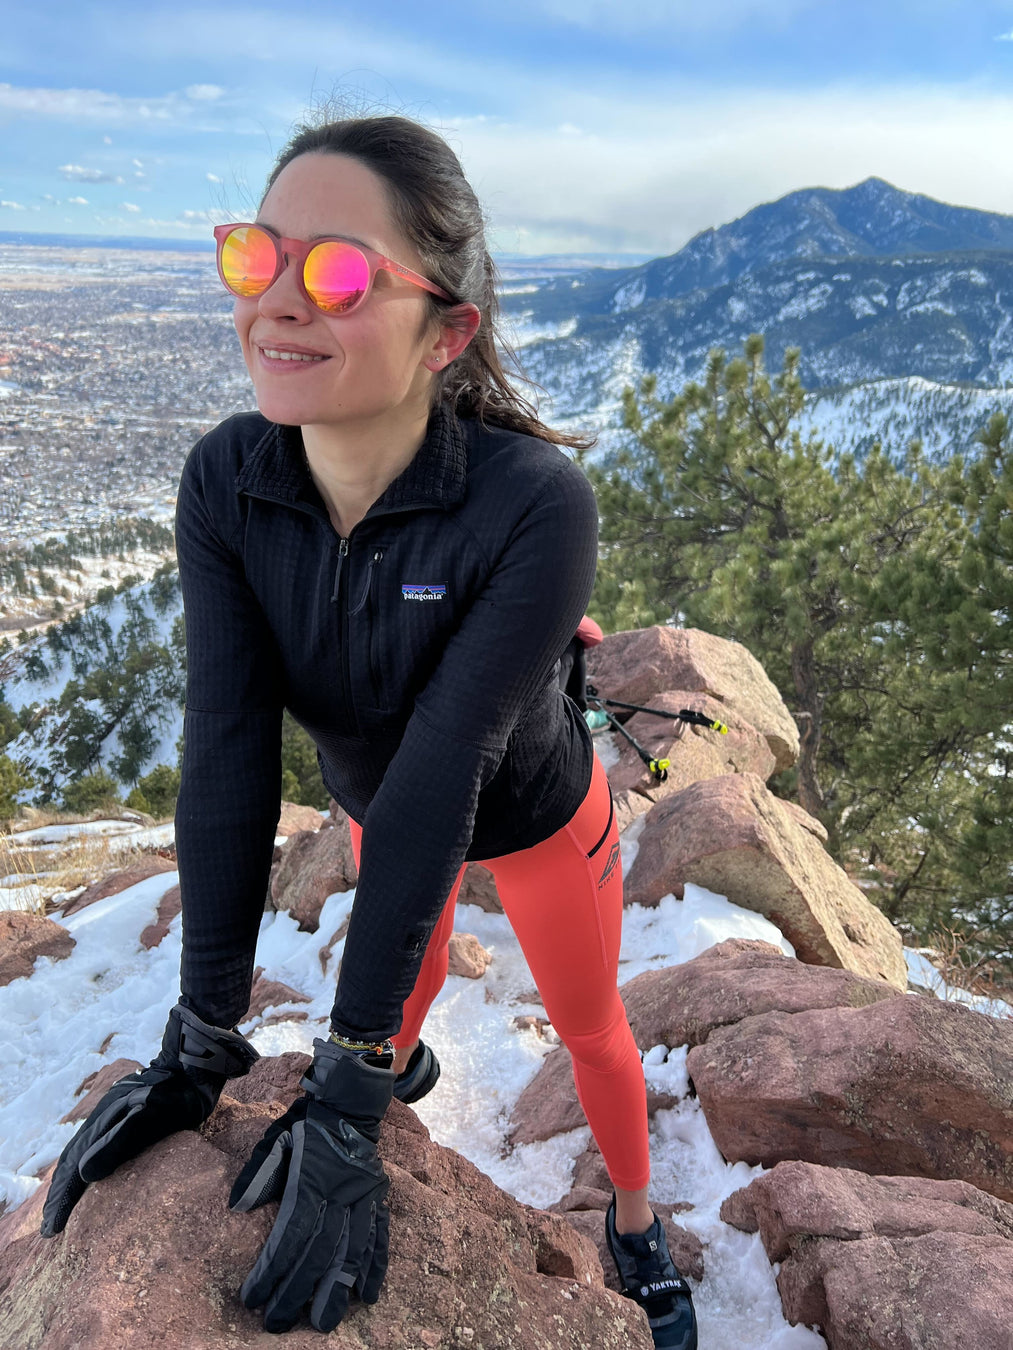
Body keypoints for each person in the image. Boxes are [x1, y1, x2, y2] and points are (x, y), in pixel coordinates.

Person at [39, 112, 697, 1350]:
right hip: (376, 803)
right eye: (255, 257)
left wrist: (334, 1090)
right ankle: (390, 1083)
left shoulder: (529, 505)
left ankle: (634, 1216)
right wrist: (203, 1038)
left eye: (338, 272)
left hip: (533, 811)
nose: (278, 302)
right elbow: (227, 747)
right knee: (393, 1010)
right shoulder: (229, 481)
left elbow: (453, 765)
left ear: (447, 331)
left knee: (591, 1027)